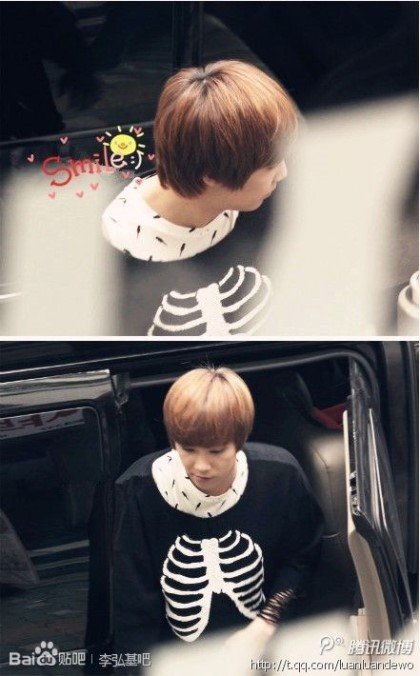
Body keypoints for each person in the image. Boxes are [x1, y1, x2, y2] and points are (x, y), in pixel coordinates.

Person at [113, 367, 324, 670]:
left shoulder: (279, 475)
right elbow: (132, 608)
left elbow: (303, 557)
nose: (201, 466)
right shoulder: (138, 490)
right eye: (187, 448)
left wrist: (266, 623)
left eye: (216, 451)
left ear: (240, 440)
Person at [101, 61, 298, 336]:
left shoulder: (266, 201)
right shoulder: (113, 260)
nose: (284, 173)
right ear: (212, 175)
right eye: (271, 166)